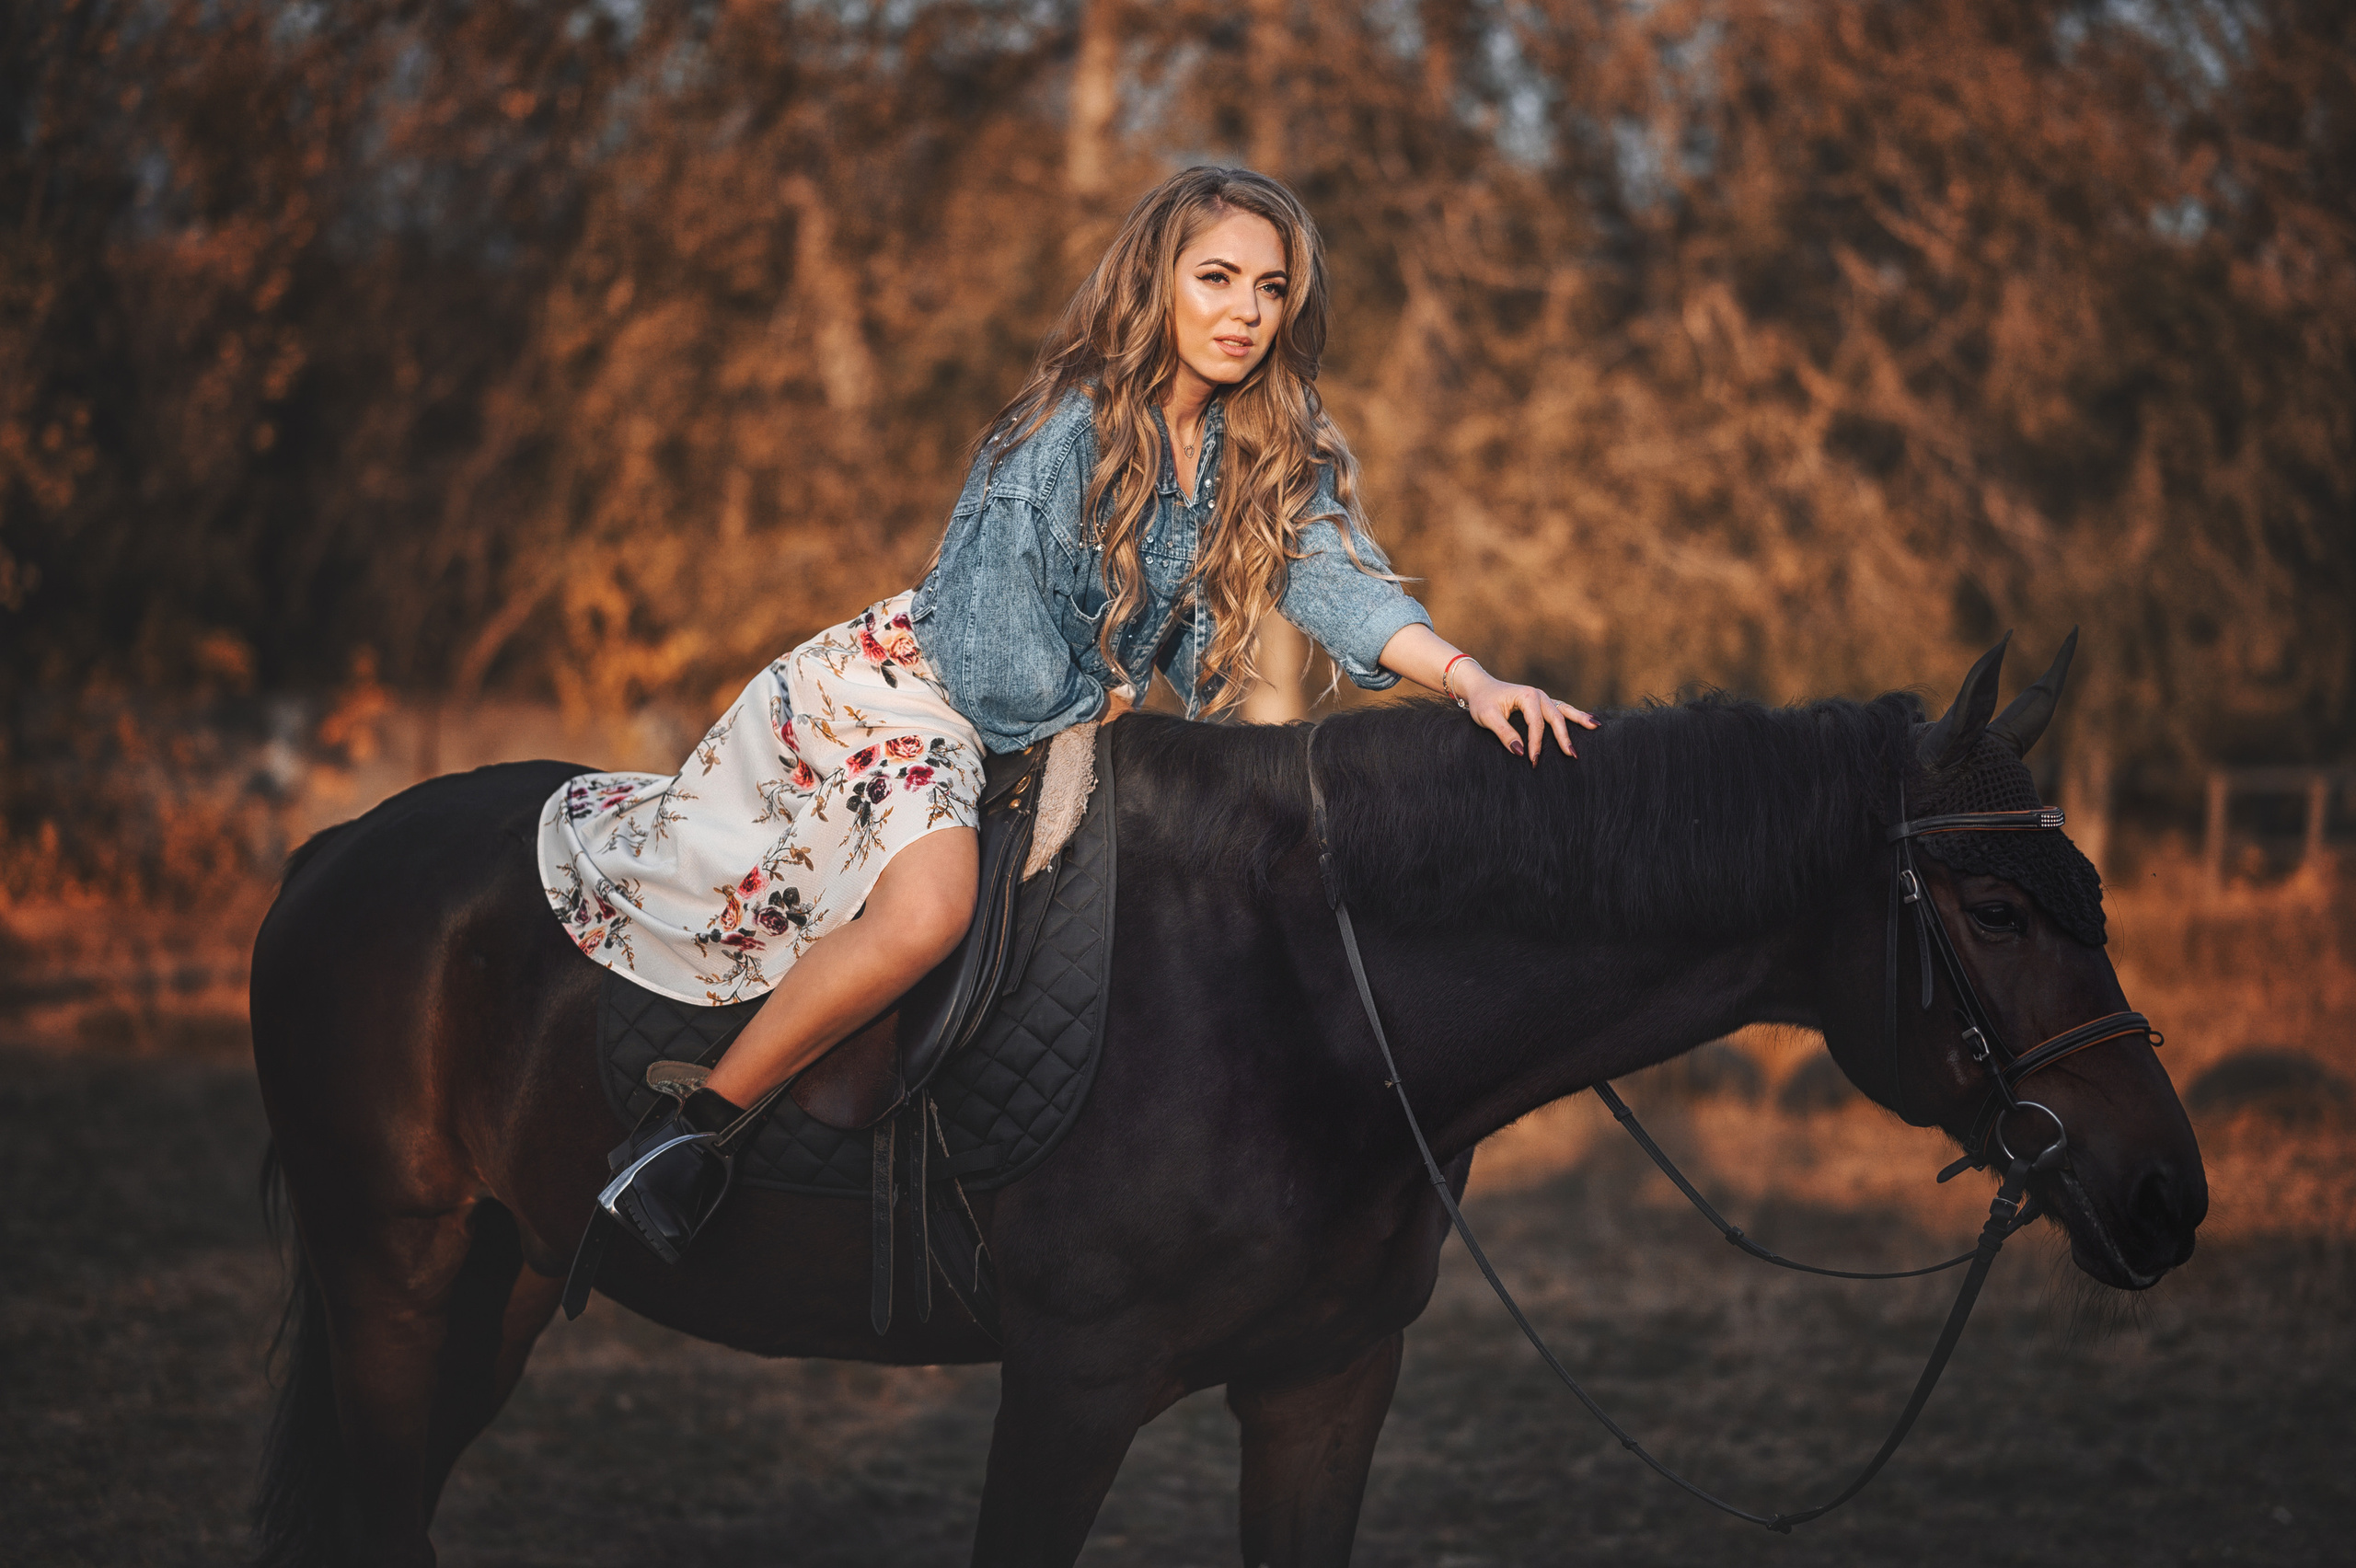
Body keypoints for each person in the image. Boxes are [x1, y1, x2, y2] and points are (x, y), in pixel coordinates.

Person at [539, 166, 1594, 1264]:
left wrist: (1469, 679)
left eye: (1271, 288)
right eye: (1218, 278)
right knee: (928, 914)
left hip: (1067, 716)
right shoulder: (1065, 428)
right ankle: (692, 1133)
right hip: (925, 695)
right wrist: (1109, 713)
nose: (1245, 311)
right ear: (1157, 283)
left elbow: (1327, 574)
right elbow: (991, 652)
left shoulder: (1260, 435)